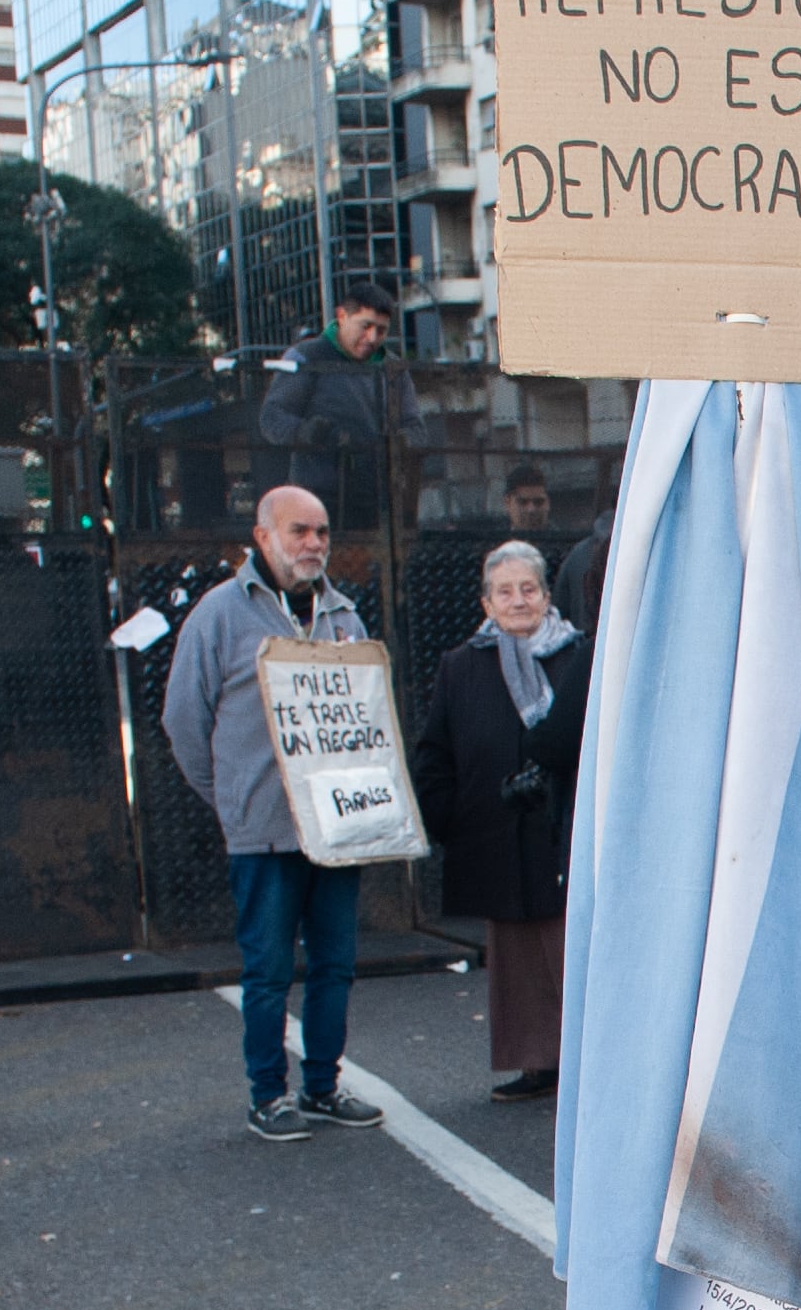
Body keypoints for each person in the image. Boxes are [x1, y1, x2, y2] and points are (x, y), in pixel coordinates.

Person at [161, 485, 389, 1142]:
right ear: (263, 537)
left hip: (337, 830)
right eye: (299, 531)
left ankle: (321, 1085)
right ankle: (268, 1095)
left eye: (321, 532)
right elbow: (183, 721)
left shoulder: (343, 615)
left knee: (335, 965)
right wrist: (232, 801)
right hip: (262, 834)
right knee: (266, 970)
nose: (314, 544)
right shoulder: (219, 615)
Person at [409, 540, 589, 1103]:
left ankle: (585, 1065)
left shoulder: (578, 655)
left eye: (528, 589)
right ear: (486, 603)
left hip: (563, 833)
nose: (518, 601)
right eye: (504, 592)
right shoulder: (461, 666)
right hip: (495, 833)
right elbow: (436, 749)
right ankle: (536, 1063)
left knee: (572, 951)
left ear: (545, 594)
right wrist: (446, 819)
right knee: (514, 958)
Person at [258, 280, 422, 514]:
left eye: (382, 330)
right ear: (342, 316)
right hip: (317, 500)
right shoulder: (306, 356)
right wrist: (306, 433)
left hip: (379, 502)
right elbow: (271, 417)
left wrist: (400, 442)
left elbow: (416, 427)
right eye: (365, 326)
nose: (372, 337)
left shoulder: (394, 369)